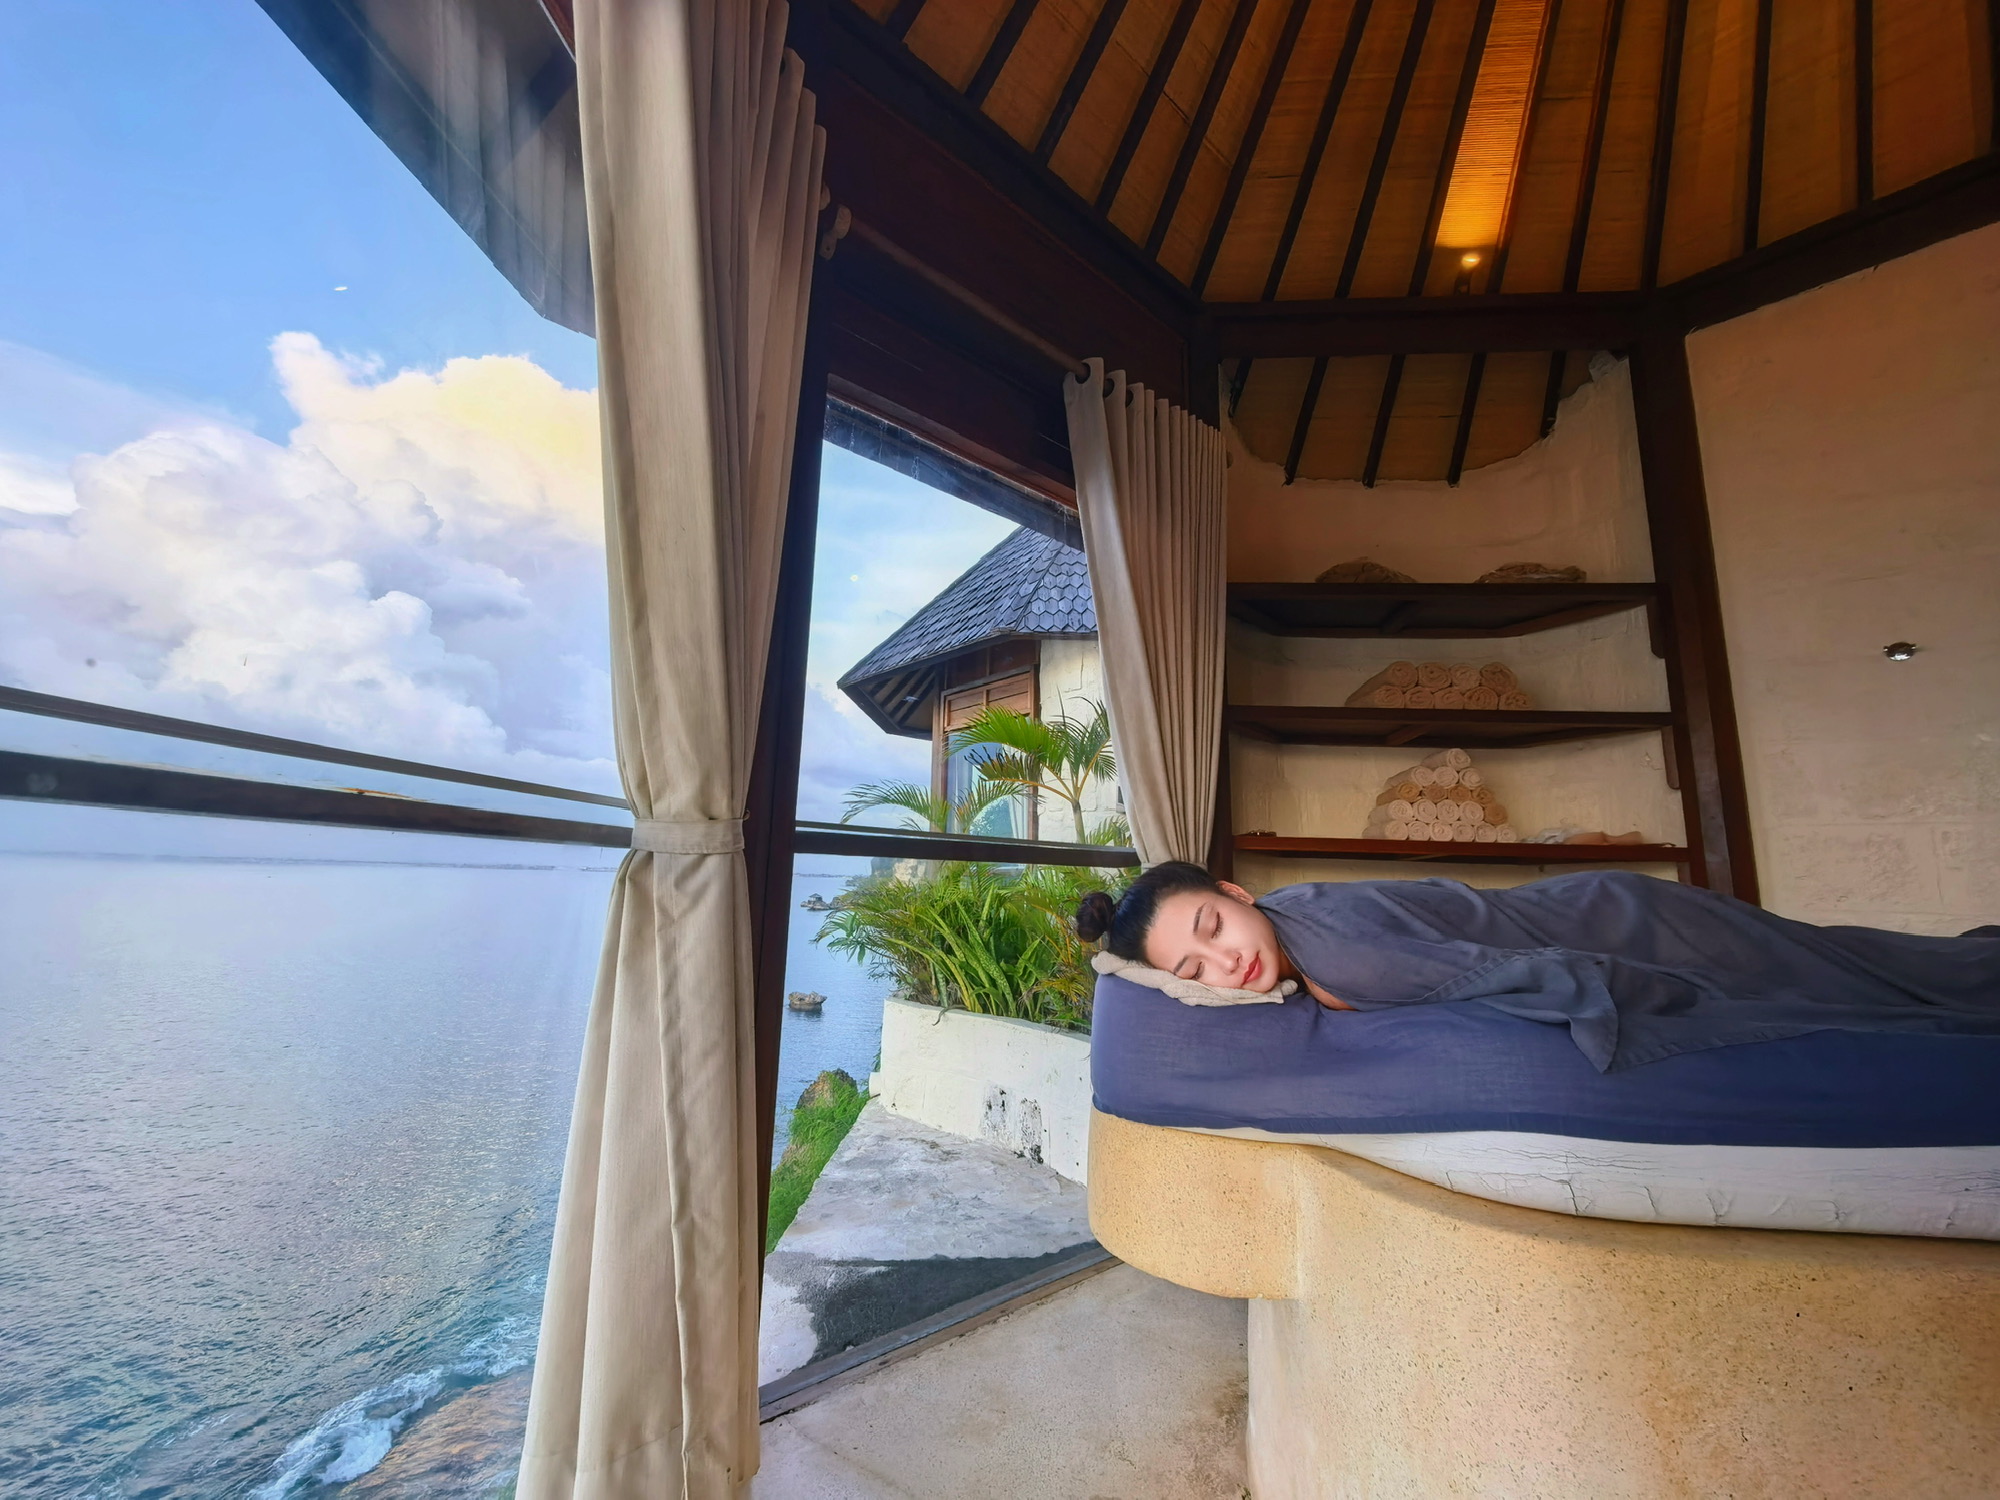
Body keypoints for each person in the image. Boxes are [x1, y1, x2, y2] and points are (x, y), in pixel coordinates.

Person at [1073, 862, 2000, 1072]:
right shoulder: (1299, 939)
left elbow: (1534, 975)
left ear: (1237, 892)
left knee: (1852, 978)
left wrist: (1648, 1009)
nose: (1225, 962)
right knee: (1851, 962)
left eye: (1212, 926)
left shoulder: (1332, 941)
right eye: (1194, 968)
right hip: (1616, 911)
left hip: (1637, 926)